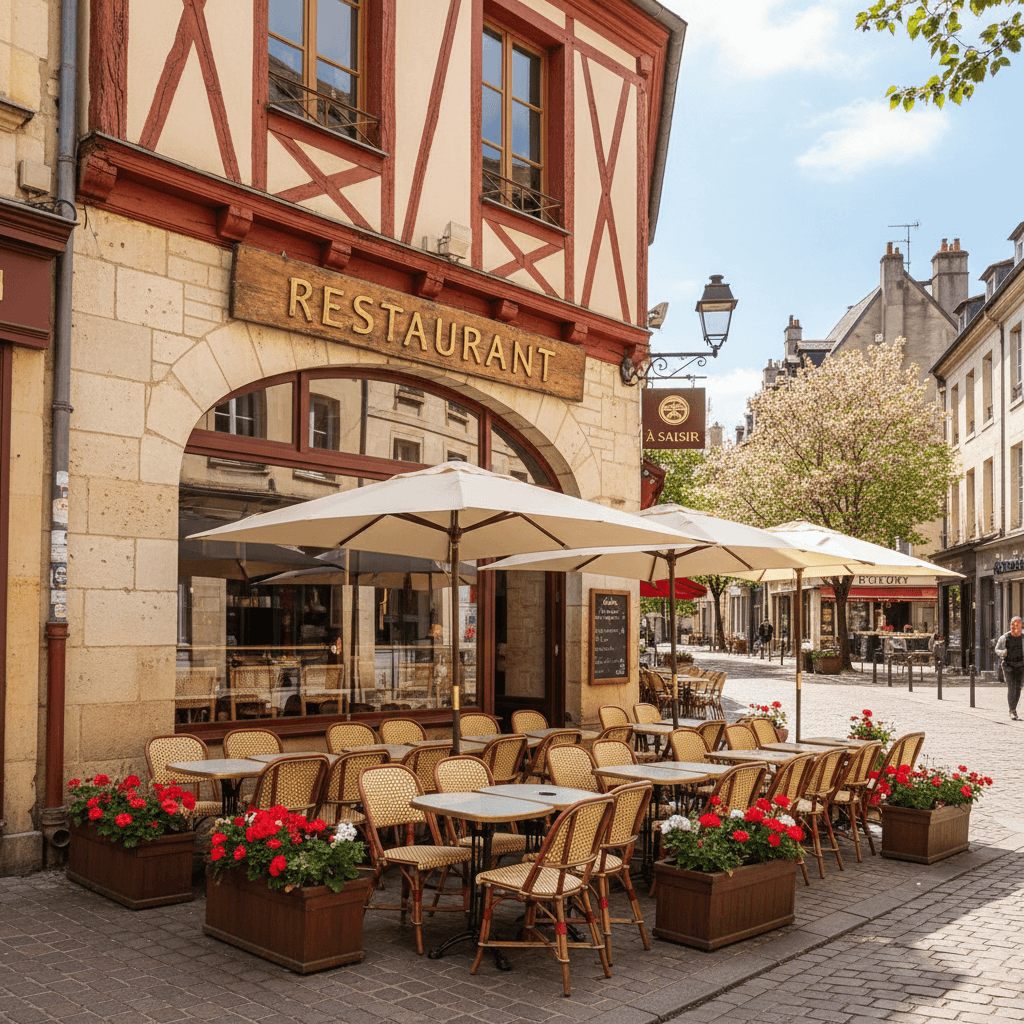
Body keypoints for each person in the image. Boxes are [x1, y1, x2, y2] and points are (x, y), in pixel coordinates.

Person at [995, 616, 1024, 721]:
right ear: (1011, 625)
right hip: (1008, 666)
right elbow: (997, 649)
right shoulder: (1005, 637)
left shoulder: (1023, 637)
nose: (1015, 626)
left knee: (1018, 689)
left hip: (1021, 666)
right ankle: (1012, 710)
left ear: (1021, 626)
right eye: (1013, 624)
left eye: (1018, 624)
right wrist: (1003, 652)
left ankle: (1014, 708)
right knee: (1012, 688)